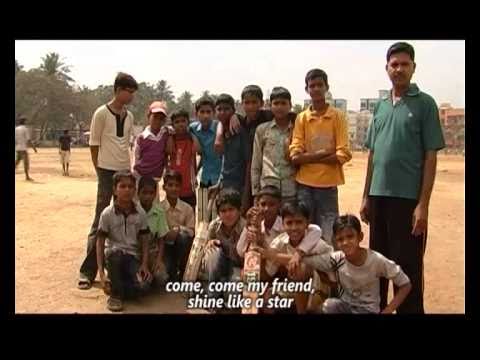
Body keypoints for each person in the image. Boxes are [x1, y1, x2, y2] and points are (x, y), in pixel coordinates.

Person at [359, 42, 445, 313]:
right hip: (378, 198)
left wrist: (423, 205)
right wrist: (365, 196)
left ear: (413, 68)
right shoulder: (381, 107)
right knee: (379, 267)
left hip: (408, 201)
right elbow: (373, 154)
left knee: (407, 269)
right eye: (394, 65)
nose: (399, 69)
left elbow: (431, 156)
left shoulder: (425, 104)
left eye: (404, 64)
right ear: (387, 68)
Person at [78, 72, 138, 290]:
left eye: (133, 92)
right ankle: (87, 272)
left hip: (124, 170)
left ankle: (120, 266)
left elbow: (127, 144)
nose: (131, 96)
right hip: (106, 171)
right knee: (100, 220)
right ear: (118, 89)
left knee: (125, 217)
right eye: (128, 91)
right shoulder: (101, 113)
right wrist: (99, 170)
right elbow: (94, 145)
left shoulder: (129, 116)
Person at [289, 69, 352, 245]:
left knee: (329, 233)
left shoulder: (337, 116)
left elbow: (343, 154)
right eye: (312, 86)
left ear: (327, 87)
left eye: (319, 85)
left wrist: (308, 158)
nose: (316, 89)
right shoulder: (302, 118)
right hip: (304, 184)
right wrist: (324, 154)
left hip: (328, 185)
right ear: (307, 89)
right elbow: (295, 154)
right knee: (303, 231)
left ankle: (328, 271)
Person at [302, 214, 412, 314]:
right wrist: (297, 256)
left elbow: (405, 284)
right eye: (340, 239)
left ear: (360, 237)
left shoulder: (376, 260)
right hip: (345, 307)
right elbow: (305, 260)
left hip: (368, 310)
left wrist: (389, 309)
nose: (345, 242)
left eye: (350, 236)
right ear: (335, 242)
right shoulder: (336, 259)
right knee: (329, 305)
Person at [214, 85, 297, 210]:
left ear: (262, 103)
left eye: (254, 102)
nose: (251, 106)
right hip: (247, 180)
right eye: (247, 103)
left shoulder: (270, 117)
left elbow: (290, 115)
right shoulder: (240, 122)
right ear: (242, 104)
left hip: (282, 185)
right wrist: (220, 133)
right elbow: (222, 120)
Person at [256, 200, 333, 314]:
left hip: (319, 288)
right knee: (268, 300)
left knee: (300, 268)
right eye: (289, 223)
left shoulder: (317, 243)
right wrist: (261, 254)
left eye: (299, 222)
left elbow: (333, 267)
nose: (294, 228)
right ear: (283, 224)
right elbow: (268, 274)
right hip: (293, 288)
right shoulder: (279, 243)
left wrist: (275, 256)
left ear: (307, 223)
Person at [96, 171, 152, 312]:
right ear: (115, 189)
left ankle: (117, 285)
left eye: (130, 187)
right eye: (122, 186)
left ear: (135, 190)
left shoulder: (140, 213)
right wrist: (101, 273)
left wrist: (144, 264)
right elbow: (100, 242)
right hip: (114, 256)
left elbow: (145, 241)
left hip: (133, 258)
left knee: (144, 287)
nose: (127, 190)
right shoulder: (107, 214)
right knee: (115, 254)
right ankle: (115, 295)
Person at [236, 185, 320, 259]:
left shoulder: (287, 224)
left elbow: (316, 230)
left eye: (272, 204)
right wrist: (249, 225)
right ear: (257, 205)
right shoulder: (257, 224)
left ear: (279, 205)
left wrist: (299, 252)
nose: (267, 209)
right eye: (263, 204)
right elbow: (240, 252)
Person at [251, 87, 297, 204]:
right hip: (268, 192)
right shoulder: (262, 130)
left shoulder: (298, 129)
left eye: (283, 103)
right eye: (276, 103)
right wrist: (256, 193)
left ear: (290, 105)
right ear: (270, 105)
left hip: (291, 191)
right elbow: (256, 164)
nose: (279, 107)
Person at [204, 188, 246, 305]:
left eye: (231, 209)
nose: (227, 214)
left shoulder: (245, 228)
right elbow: (205, 248)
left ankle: (224, 288)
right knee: (212, 252)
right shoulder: (214, 226)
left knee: (233, 298)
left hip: (238, 266)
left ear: (239, 210)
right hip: (219, 266)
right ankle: (213, 296)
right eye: (223, 211)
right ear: (218, 213)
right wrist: (210, 243)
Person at [212, 94, 249, 212]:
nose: (223, 112)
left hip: (240, 186)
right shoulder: (221, 132)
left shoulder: (240, 131)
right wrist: (219, 183)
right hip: (225, 185)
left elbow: (249, 162)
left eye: (226, 109)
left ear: (233, 111)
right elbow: (224, 160)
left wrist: (246, 194)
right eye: (219, 109)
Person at [189, 96, 223, 223]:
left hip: (220, 178)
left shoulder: (219, 127)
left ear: (214, 113)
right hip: (205, 178)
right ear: (196, 114)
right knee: (203, 215)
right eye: (202, 112)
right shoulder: (193, 128)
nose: (205, 115)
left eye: (209, 112)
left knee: (218, 215)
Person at [160, 169, 195, 282]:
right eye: (170, 185)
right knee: (165, 277)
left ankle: (182, 268)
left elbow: (192, 231)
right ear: (164, 187)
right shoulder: (159, 209)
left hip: (182, 247)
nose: (174, 188)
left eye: (176, 185)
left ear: (181, 187)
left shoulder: (187, 208)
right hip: (164, 247)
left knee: (184, 236)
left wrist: (178, 229)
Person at [137, 176, 170, 287]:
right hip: (135, 252)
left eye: (151, 193)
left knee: (162, 278)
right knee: (142, 285)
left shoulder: (159, 212)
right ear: (138, 193)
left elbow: (161, 240)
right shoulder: (133, 210)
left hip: (152, 252)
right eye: (144, 193)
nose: (147, 197)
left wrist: (159, 260)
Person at [167, 109, 200, 210]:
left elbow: (198, 149)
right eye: (177, 122)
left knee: (190, 215)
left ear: (188, 122)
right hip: (173, 186)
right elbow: (167, 150)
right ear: (172, 125)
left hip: (188, 186)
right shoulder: (170, 140)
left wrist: (192, 135)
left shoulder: (191, 139)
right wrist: (170, 136)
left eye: (183, 121)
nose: (180, 124)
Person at [133, 101, 172, 182]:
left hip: (156, 177)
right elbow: (136, 158)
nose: (158, 121)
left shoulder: (166, 133)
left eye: (161, 118)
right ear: (148, 116)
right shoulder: (141, 138)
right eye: (155, 117)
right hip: (141, 176)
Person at [15, 116, 37, 181]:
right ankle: (27, 177)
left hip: (17, 148)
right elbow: (28, 140)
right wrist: (34, 148)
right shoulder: (25, 129)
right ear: (24, 121)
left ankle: (27, 176)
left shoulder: (16, 129)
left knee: (17, 161)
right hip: (23, 148)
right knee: (26, 163)